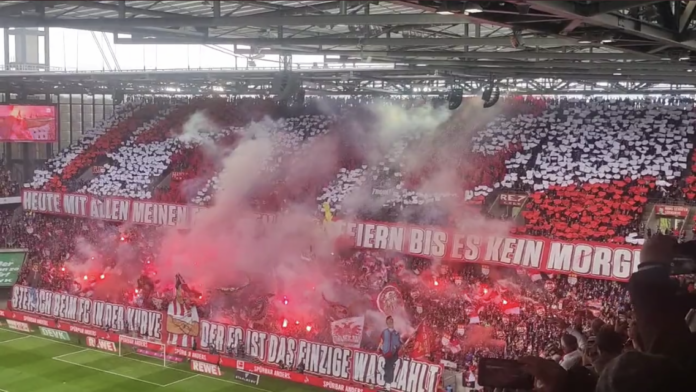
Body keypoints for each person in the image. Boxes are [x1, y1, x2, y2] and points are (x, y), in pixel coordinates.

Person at [379, 316, 402, 391]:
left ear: (393, 322)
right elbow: (381, 342)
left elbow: (399, 344)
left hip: (393, 354)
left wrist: (398, 347)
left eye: (391, 321)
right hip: (385, 353)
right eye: (388, 321)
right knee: (388, 366)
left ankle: (388, 385)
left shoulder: (396, 333)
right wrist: (380, 349)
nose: (390, 322)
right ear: (386, 323)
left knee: (389, 366)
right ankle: (387, 384)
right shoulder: (384, 332)